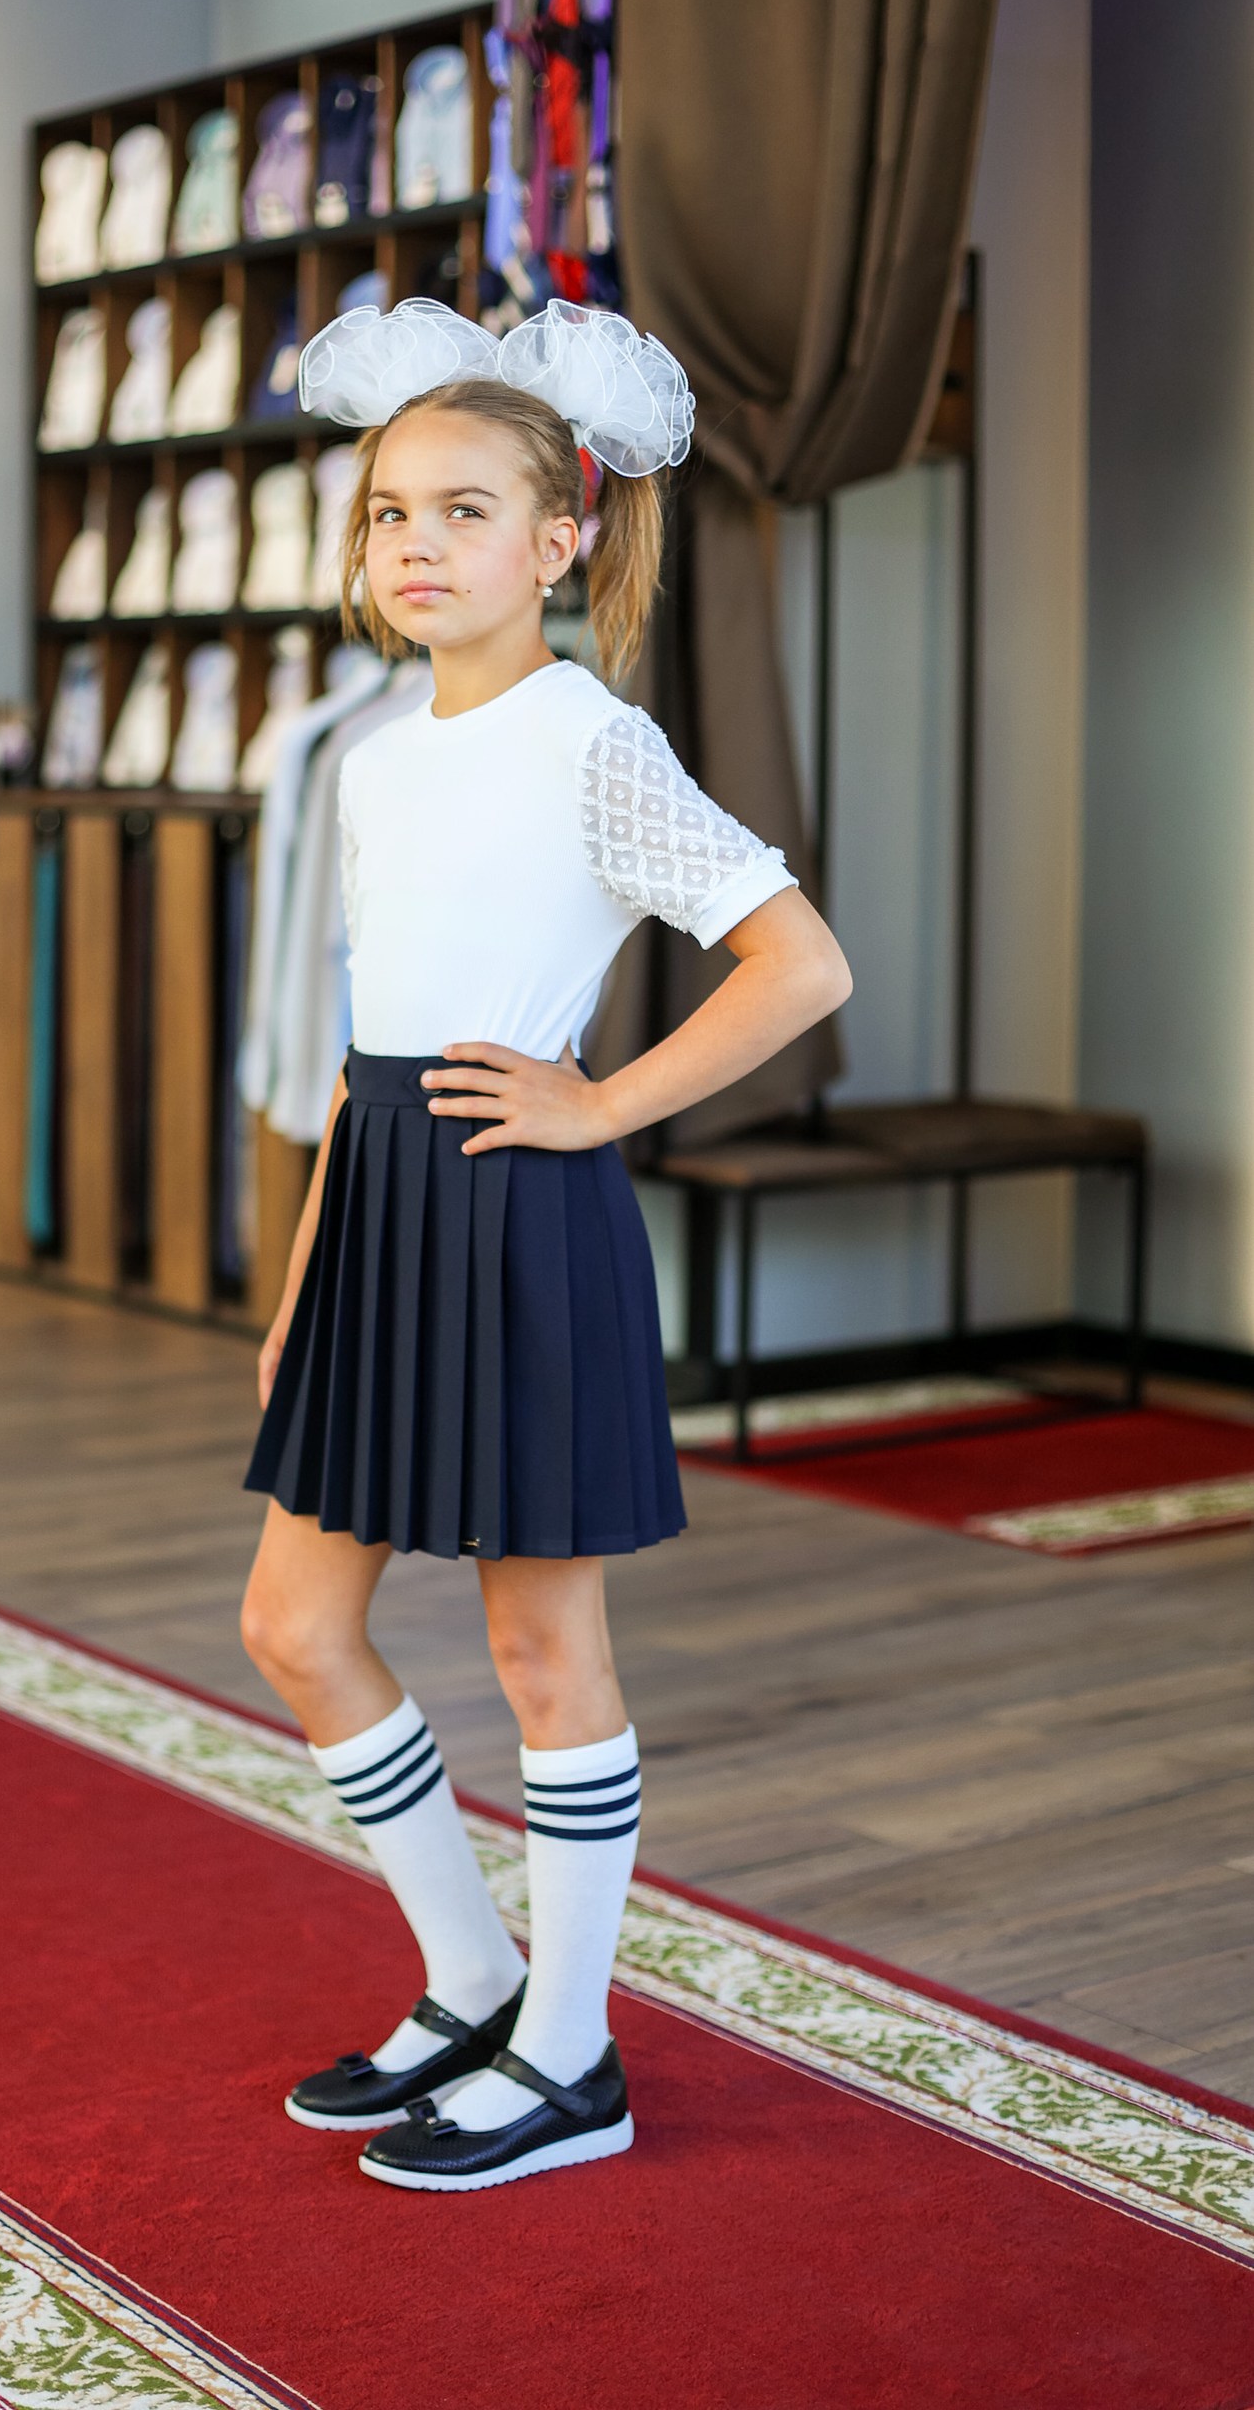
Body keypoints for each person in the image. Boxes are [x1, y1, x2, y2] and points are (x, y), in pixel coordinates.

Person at [241, 298, 852, 2192]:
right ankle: (472, 1982)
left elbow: (800, 966)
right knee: (292, 1626)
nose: (416, 544)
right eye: (389, 513)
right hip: (382, 1204)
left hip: (522, 1210)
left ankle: (574, 2059)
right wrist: (303, 1286)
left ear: (561, 541)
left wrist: (600, 1104)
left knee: (536, 1641)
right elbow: (366, 1049)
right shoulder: (373, 761)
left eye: (465, 510)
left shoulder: (596, 743)